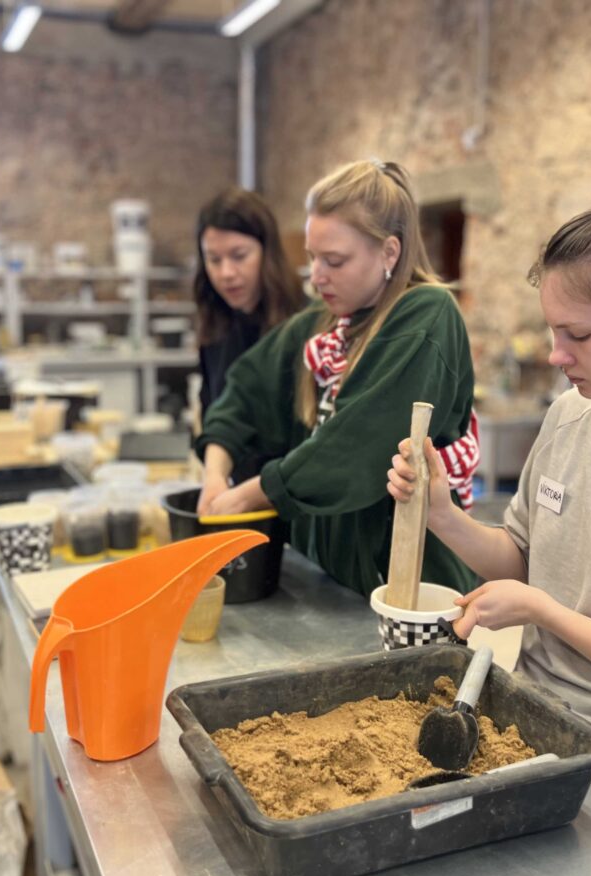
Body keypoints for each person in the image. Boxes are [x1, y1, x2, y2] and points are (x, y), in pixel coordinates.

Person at [388, 153, 591, 781]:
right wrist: (442, 515)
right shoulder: (570, 414)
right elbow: (523, 558)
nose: (555, 355)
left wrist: (544, 611)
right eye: (552, 332)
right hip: (530, 722)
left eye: (580, 336)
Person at [197, 159, 478, 597]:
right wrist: (216, 472)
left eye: (335, 261)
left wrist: (250, 494)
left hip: (407, 587)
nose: (317, 277)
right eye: (313, 258)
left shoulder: (425, 317)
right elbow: (245, 390)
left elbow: (356, 445)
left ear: (389, 252)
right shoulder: (325, 321)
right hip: (333, 581)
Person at [193, 187, 308, 483]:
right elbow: (212, 410)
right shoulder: (216, 322)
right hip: (233, 489)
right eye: (213, 259)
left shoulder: (304, 324)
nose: (226, 273)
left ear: (267, 252)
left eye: (239, 256)